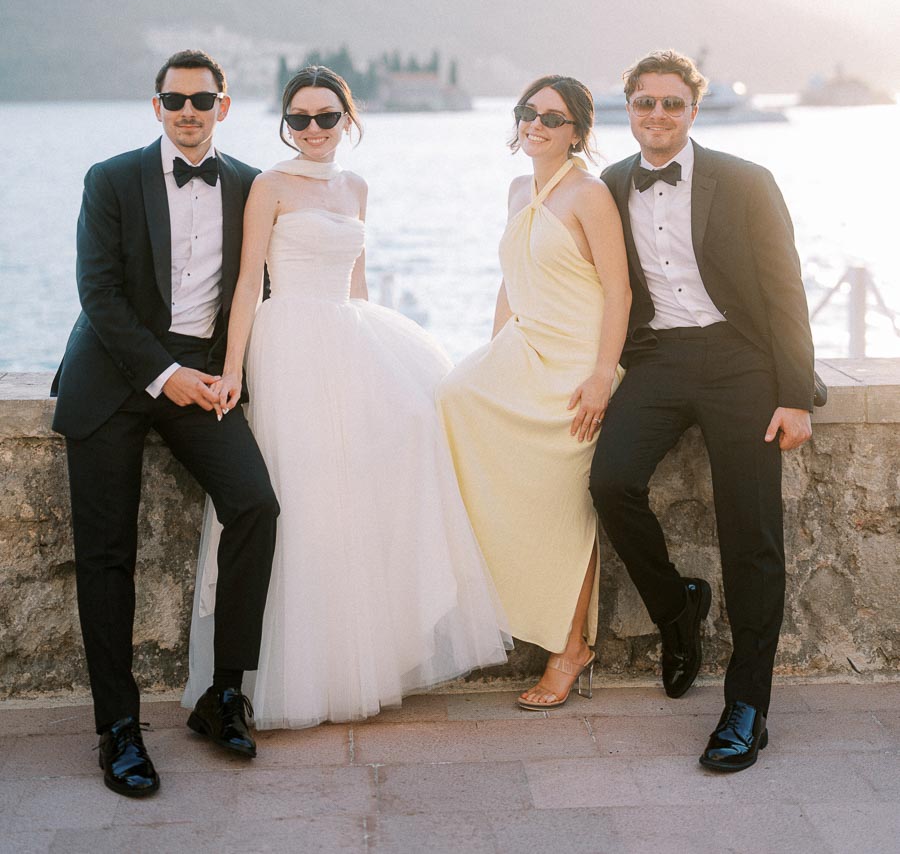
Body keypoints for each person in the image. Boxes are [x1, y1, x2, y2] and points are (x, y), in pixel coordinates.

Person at [183, 65, 509, 728]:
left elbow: (357, 284)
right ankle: (284, 678)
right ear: (284, 122)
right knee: (302, 499)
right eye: (299, 118)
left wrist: (377, 363)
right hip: (289, 343)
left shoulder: (357, 186)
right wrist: (235, 369)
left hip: (346, 336)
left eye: (326, 117)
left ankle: (364, 659)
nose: (312, 130)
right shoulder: (270, 186)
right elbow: (248, 285)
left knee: (401, 443)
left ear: (348, 120)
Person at [52, 50, 279, 798]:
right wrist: (165, 375)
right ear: (156, 106)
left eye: (202, 100)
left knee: (255, 504)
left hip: (199, 377)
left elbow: (256, 289)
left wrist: (224, 371)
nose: (189, 111)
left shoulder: (249, 184)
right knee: (107, 553)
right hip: (114, 376)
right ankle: (117, 729)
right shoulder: (110, 178)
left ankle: (223, 696)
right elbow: (100, 293)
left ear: (224, 105)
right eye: (175, 100)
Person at [590, 48, 822, 772]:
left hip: (739, 361)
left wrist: (793, 392)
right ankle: (677, 609)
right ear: (628, 109)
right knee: (609, 482)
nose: (657, 115)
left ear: (692, 110)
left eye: (671, 104)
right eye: (644, 104)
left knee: (749, 531)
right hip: (657, 359)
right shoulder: (612, 181)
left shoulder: (746, 181)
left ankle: (747, 704)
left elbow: (785, 288)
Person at [436, 75, 631, 710]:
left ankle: (570, 648)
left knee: (564, 513)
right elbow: (512, 279)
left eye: (553, 116)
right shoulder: (520, 188)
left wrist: (603, 375)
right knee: (450, 400)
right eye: (528, 113)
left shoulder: (589, 194)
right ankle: (480, 599)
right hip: (524, 349)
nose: (536, 125)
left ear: (578, 129)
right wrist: (495, 351)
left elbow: (619, 292)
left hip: (576, 369)